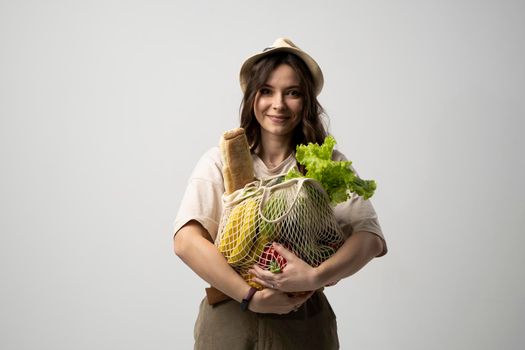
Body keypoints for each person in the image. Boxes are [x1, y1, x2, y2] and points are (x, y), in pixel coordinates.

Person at [173, 38, 387, 350]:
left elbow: (370, 238)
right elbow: (186, 241)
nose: (278, 104)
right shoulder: (221, 160)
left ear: (307, 102)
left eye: (293, 93)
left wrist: (315, 276)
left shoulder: (326, 163)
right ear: (252, 98)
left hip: (303, 322)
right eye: (267, 91)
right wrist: (251, 296)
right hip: (231, 317)